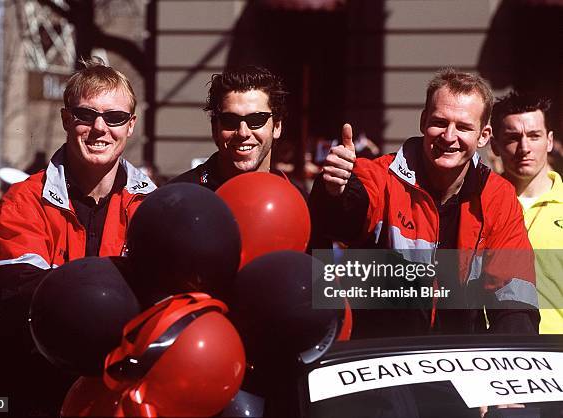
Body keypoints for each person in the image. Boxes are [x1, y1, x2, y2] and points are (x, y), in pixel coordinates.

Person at [0, 58, 155, 415]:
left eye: (115, 117)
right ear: (66, 119)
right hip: (38, 388)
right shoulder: (26, 197)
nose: (100, 129)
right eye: (86, 115)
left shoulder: (153, 207)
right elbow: (11, 286)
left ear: (130, 126)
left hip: (123, 395)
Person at [310, 68, 539, 338]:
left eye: (464, 127)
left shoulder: (498, 196)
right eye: (440, 122)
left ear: (484, 136)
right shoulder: (381, 175)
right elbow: (344, 217)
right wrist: (335, 191)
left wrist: (507, 362)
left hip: (461, 364)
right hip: (379, 362)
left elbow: (515, 302)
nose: (449, 136)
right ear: (422, 121)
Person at [491, 91, 562, 334]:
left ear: (550, 141)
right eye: (513, 137)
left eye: (534, 136)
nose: (524, 147)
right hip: (495, 355)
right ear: (494, 144)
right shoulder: (476, 206)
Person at [170, 65, 288, 190]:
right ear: (215, 129)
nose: (243, 133)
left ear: (277, 126)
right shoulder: (178, 198)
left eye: (256, 119)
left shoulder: (296, 198)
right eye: (230, 120)